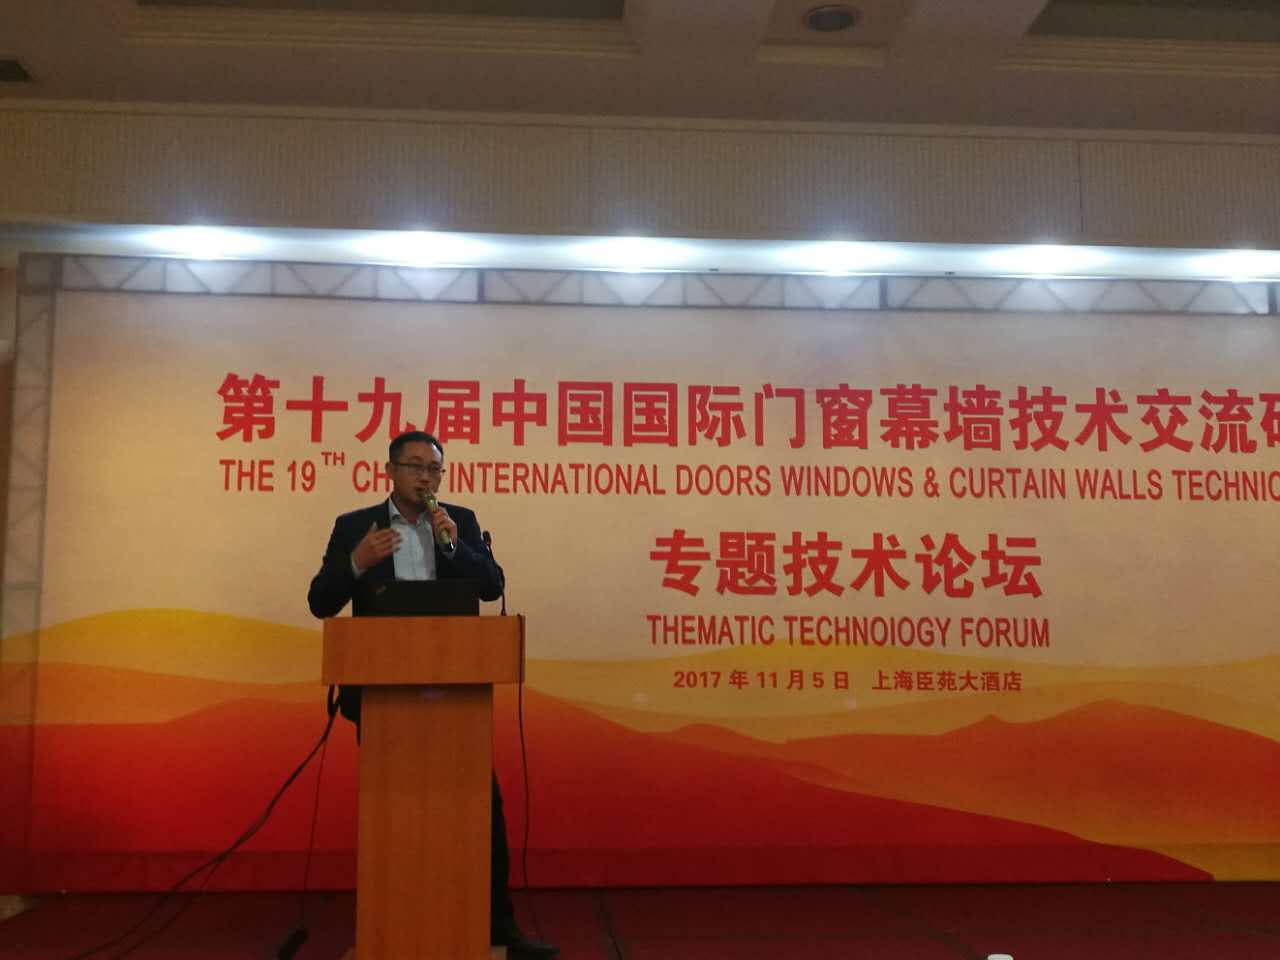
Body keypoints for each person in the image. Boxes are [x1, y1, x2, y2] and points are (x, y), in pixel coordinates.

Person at [308, 430, 557, 959]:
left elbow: (491, 587)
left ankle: (497, 929)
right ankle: (391, 929)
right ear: (390, 471)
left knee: (481, 811)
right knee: (394, 815)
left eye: (434, 469)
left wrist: (455, 547)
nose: (425, 477)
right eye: (415, 466)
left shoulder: (457, 521)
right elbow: (321, 601)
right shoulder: (356, 527)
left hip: (456, 699)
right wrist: (356, 562)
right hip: (384, 700)